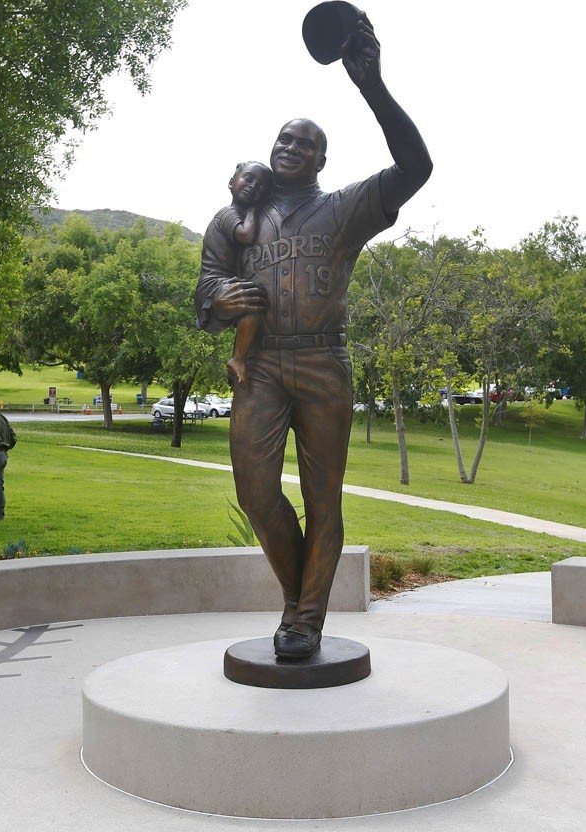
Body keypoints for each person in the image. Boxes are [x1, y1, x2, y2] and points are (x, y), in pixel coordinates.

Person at [194, 13, 432, 659]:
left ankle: (302, 619)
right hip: (262, 365)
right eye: (283, 139)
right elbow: (208, 285)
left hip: (324, 363)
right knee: (255, 491)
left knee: (324, 497)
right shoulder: (235, 217)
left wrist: (372, 86)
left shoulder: (344, 207)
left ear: (322, 159)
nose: (289, 147)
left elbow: (416, 166)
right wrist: (218, 296)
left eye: (303, 143)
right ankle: (302, 599)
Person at [203, 161, 275, 387]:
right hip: (213, 284)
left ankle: (239, 358)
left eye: (261, 186)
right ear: (231, 183)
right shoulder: (228, 214)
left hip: (225, 281)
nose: (254, 187)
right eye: (249, 178)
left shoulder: (236, 214)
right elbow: (245, 235)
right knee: (252, 300)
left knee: (252, 304)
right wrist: (253, 210)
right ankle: (238, 359)